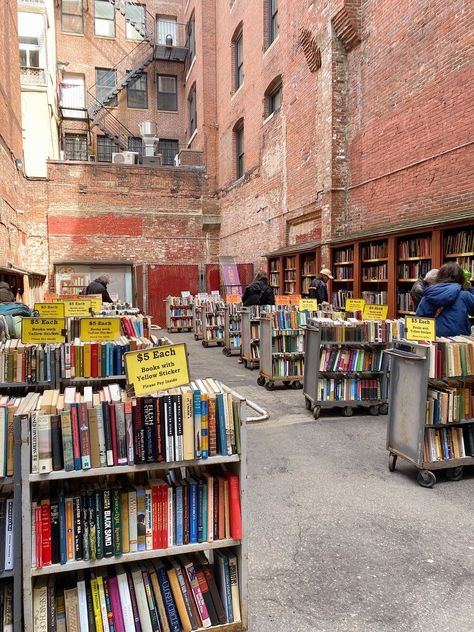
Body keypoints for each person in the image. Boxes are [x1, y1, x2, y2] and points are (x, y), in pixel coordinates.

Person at [416, 262, 474, 336]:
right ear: (461, 278)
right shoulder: (464, 295)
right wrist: (470, 289)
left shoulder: (430, 294)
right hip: (458, 341)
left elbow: (419, 319)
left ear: (440, 276)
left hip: (434, 339)